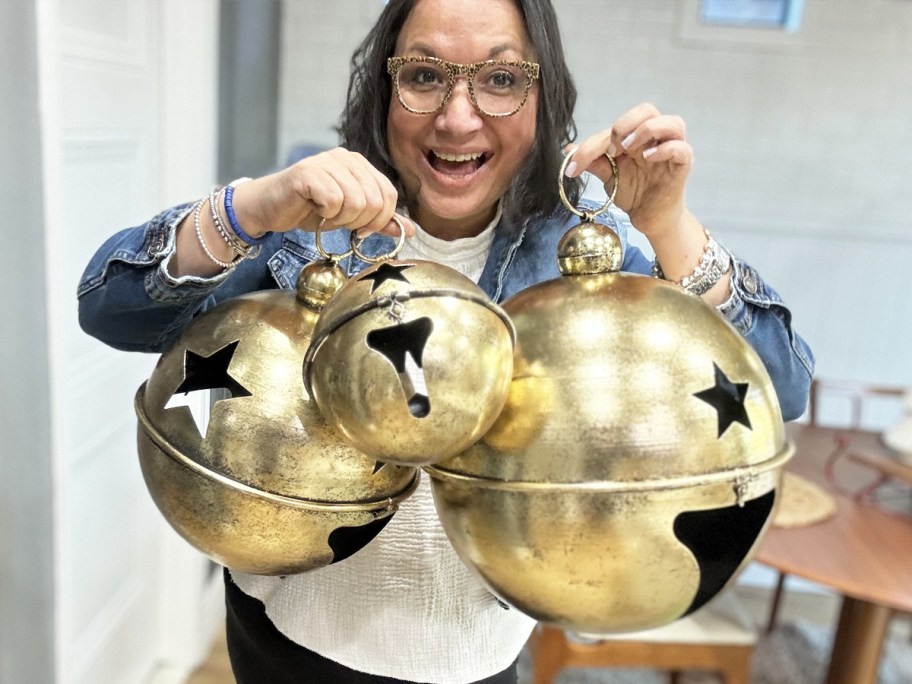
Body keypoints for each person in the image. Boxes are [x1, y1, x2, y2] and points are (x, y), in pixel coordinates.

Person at [78, 0, 814, 682]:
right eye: (424, 75)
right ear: (384, 90)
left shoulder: (591, 250)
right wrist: (250, 207)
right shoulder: (309, 227)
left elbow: (780, 390)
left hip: (480, 654)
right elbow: (109, 309)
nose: (457, 119)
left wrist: (669, 226)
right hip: (290, 640)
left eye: (499, 78)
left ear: (542, 93)